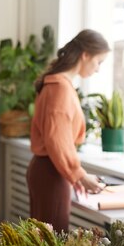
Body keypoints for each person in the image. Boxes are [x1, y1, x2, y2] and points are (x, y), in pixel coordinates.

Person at [27, 29, 110, 232]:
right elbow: (58, 140)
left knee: (43, 245)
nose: (98, 69)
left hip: (49, 170)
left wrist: (75, 174)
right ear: (85, 55)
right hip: (51, 173)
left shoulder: (57, 85)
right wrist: (79, 175)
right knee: (53, 245)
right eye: (99, 62)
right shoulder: (60, 89)